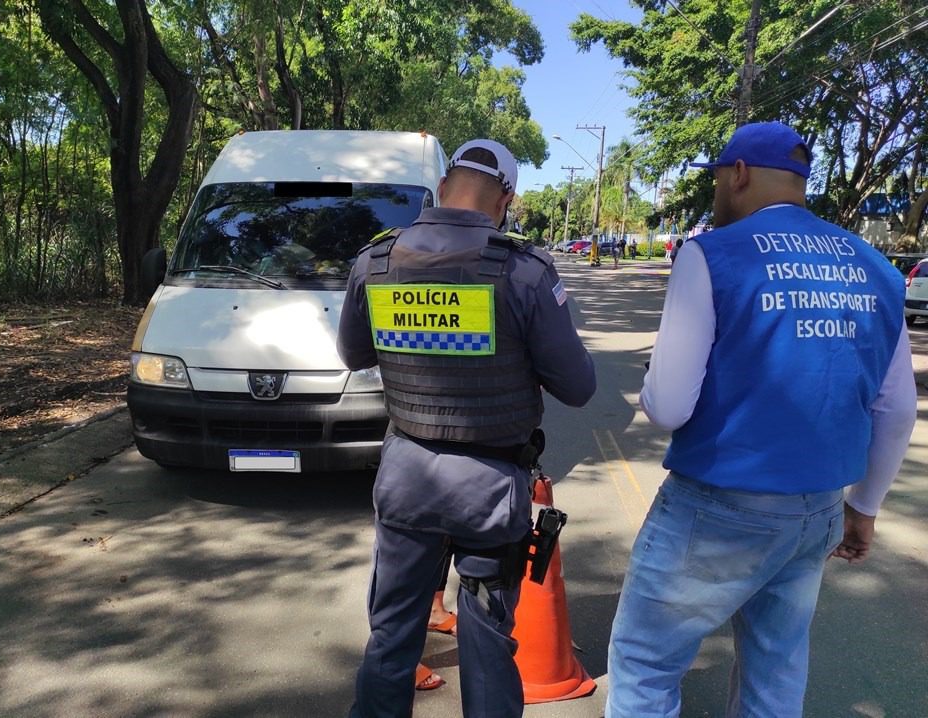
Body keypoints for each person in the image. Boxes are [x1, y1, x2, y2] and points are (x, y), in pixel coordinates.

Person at [606, 121, 917, 717]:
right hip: (820, 507)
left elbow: (669, 405)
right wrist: (866, 506)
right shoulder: (876, 267)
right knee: (775, 669)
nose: (717, 190)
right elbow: (896, 406)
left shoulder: (710, 253)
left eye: (719, 177)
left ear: (739, 173)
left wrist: (650, 384)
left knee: (646, 664)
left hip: (717, 509)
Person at [338, 138, 596, 718]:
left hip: (406, 479)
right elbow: (578, 388)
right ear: (506, 197)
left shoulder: (375, 260)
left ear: (443, 186)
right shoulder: (523, 270)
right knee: (486, 645)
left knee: (391, 639)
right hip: (489, 488)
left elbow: (354, 354)